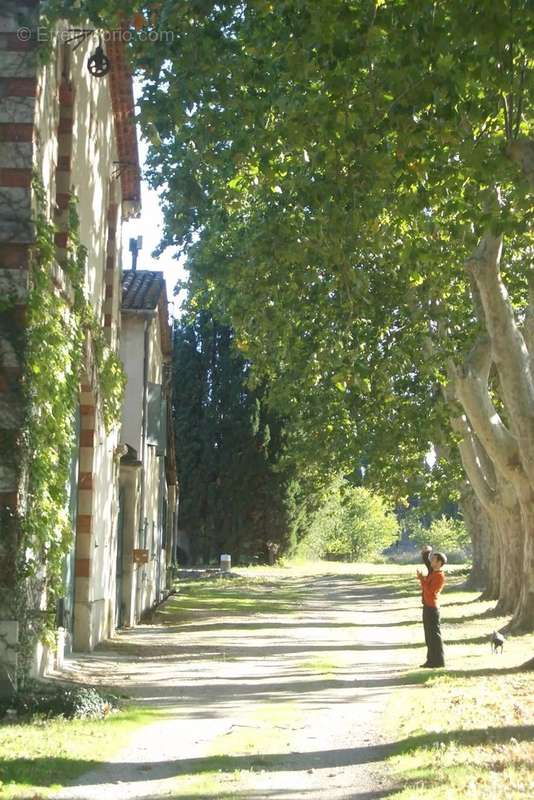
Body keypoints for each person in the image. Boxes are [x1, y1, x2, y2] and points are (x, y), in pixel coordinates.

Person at [416, 546, 447, 668]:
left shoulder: (439, 576)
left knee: (434, 636)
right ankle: (430, 660)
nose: (431, 562)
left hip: (432, 608)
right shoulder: (433, 572)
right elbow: (427, 563)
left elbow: (430, 591)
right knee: (428, 636)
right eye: (431, 559)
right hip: (427, 606)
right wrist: (426, 552)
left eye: (433, 560)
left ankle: (439, 661)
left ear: (439, 563)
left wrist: (422, 580)